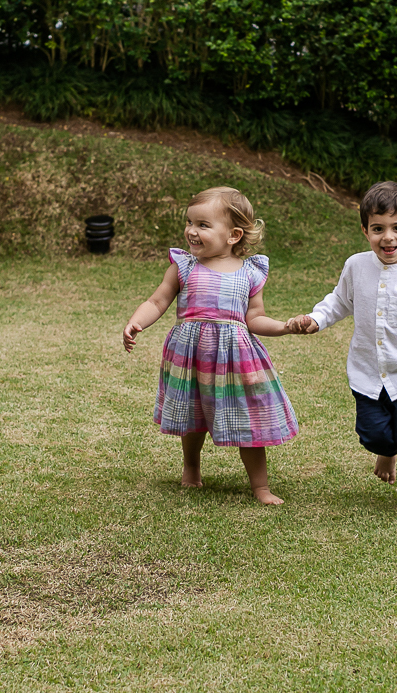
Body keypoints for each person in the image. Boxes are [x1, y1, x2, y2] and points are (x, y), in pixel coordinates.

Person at [286, 181, 397, 518]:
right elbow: (339, 302)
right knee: (372, 435)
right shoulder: (356, 266)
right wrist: (316, 319)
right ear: (365, 230)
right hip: (367, 373)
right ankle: (387, 450)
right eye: (378, 228)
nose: (388, 237)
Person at [123, 187, 298, 505]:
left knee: (248, 417)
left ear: (233, 235)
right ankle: (191, 468)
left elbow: (255, 319)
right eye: (189, 222)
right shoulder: (184, 267)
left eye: (203, 225)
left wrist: (284, 327)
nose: (191, 231)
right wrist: (138, 321)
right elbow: (158, 299)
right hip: (191, 356)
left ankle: (260, 487)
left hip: (236, 359)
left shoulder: (250, 273)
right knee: (193, 414)